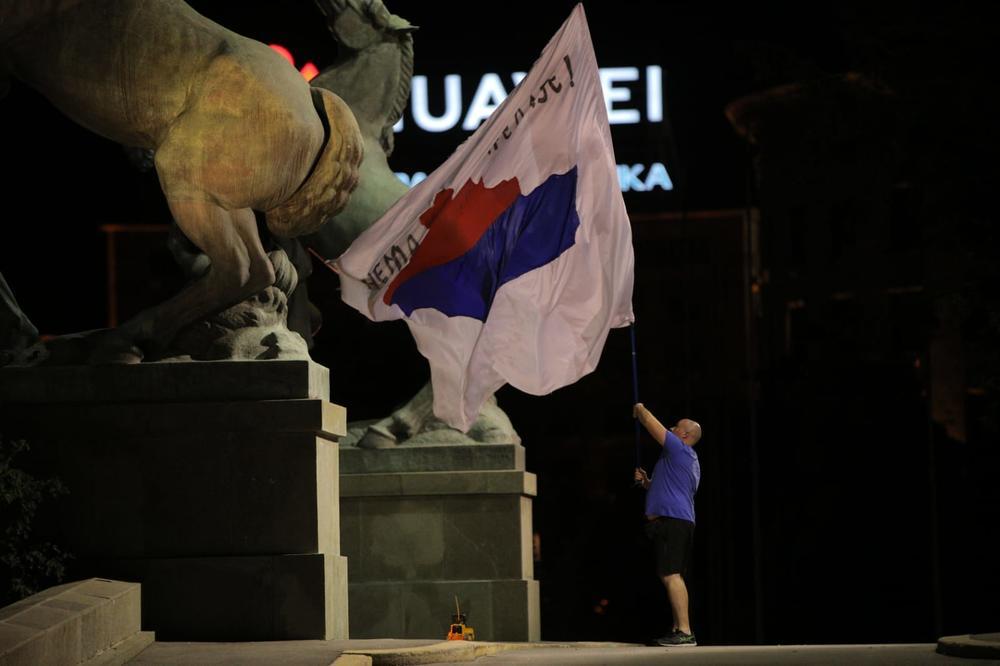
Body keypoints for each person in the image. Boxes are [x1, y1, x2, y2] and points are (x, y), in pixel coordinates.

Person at [633, 402, 702, 647]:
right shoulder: (686, 460)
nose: (671, 428)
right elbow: (669, 489)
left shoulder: (679, 449)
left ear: (684, 435)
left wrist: (640, 410)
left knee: (671, 575)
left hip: (673, 522)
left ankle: (685, 631)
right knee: (670, 575)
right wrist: (648, 484)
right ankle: (677, 628)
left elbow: (652, 423)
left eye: (676, 427)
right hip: (677, 521)